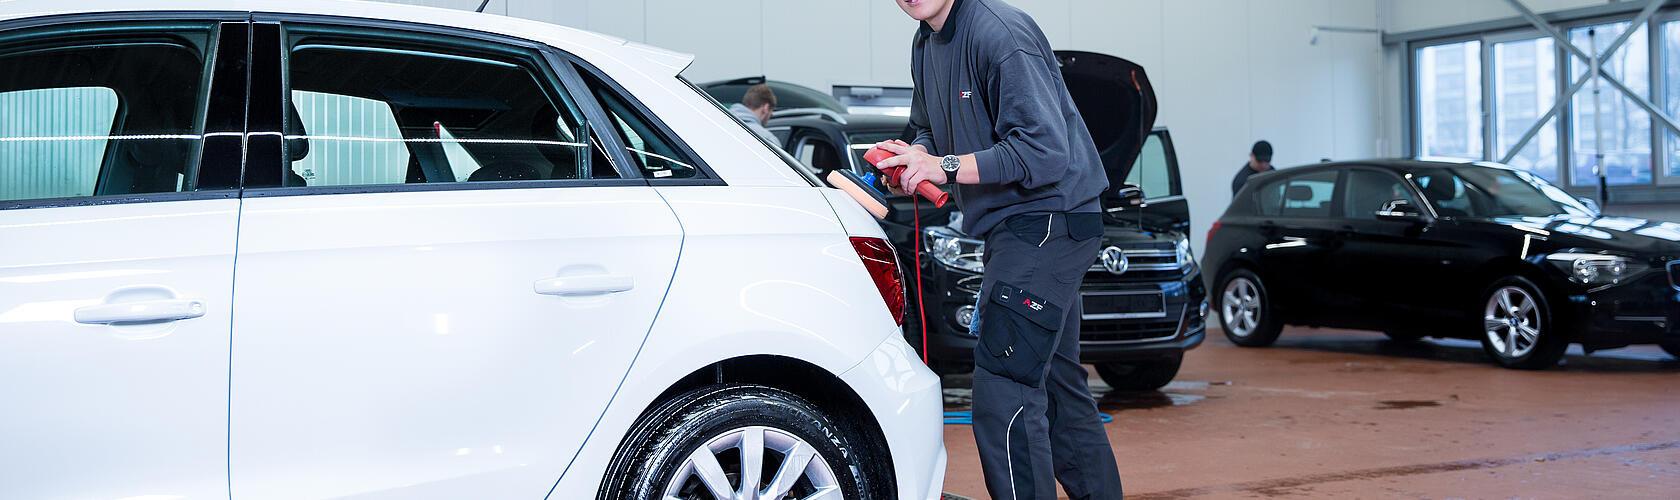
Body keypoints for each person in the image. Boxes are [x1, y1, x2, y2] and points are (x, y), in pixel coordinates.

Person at [873, 0, 1123, 498]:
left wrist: (944, 167)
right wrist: (916, 157)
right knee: (1058, 390)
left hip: (1047, 221)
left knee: (1004, 391)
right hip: (1016, 227)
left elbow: (1043, 151)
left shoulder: (1000, 34)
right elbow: (928, 129)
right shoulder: (926, 41)